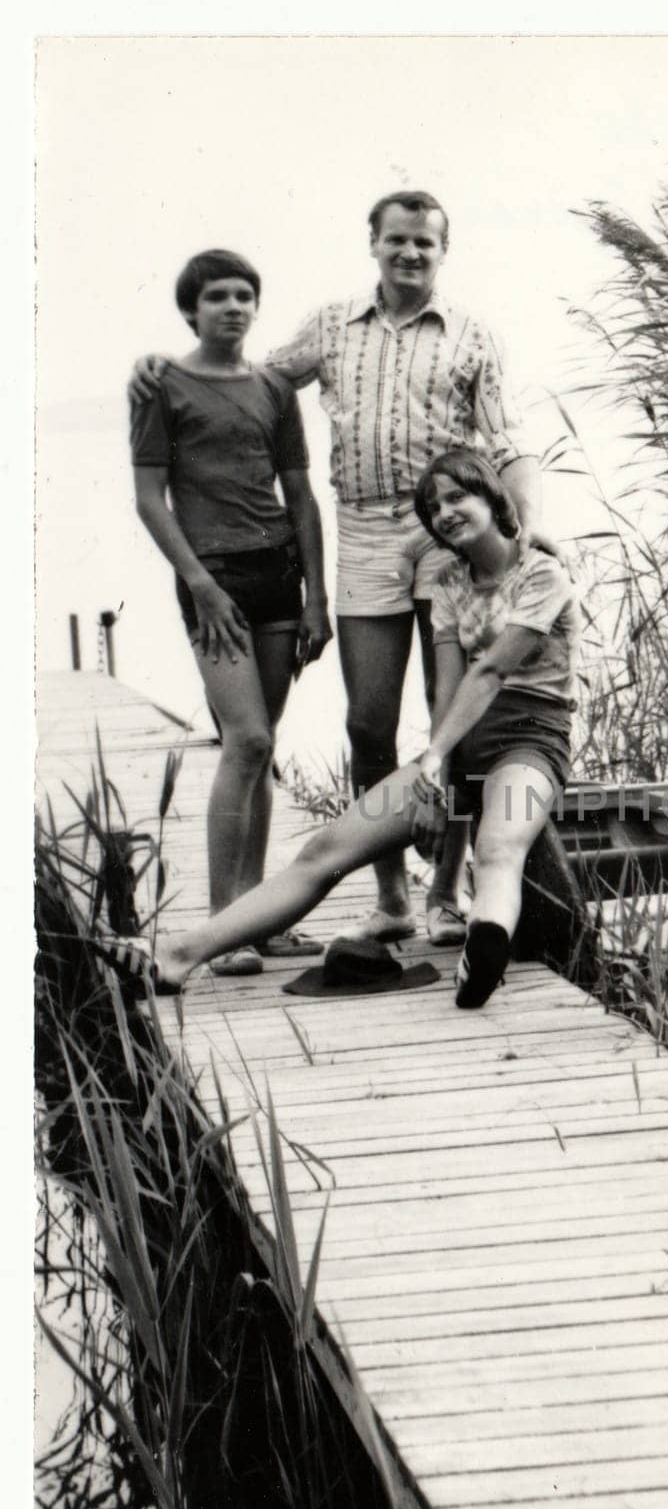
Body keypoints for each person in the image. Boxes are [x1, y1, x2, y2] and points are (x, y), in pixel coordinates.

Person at [130, 190, 553, 950]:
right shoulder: (332, 325)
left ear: (442, 250)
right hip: (359, 529)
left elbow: (510, 438)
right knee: (367, 721)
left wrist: (530, 529)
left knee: (451, 710)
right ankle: (392, 893)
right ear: (374, 244)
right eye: (397, 240)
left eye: (425, 243)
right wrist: (161, 364)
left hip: (442, 534)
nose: (410, 254)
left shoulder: (473, 335)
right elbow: (247, 382)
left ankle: (447, 894)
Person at [103, 448, 579, 1011]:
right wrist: (439, 776)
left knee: (501, 845)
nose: (446, 512)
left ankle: (484, 953)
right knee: (325, 851)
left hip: (529, 743)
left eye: (458, 496)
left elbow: (492, 670)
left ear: (492, 497)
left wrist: (437, 763)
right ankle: (176, 957)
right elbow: (446, 690)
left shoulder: (543, 570)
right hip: (460, 744)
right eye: (433, 507)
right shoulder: (450, 584)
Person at [130, 248, 333, 977]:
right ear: (192, 310)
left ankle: (260, 923)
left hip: (279, 572)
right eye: (217, 296)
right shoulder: (161, 385)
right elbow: (151, 499)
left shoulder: (277, 387)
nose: (233, 307)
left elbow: (301, 495)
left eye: (245, 295)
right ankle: (222, 928)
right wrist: (200, 582)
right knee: (243, 740)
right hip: (211, 578)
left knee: (263, 746)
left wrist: (318, 596)